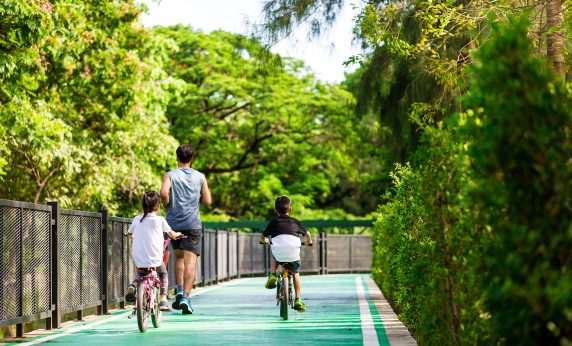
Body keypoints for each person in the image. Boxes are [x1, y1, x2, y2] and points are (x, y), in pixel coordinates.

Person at [160, 144, 212, 314]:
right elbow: (208, 200)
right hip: (193, 224)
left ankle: (180, 289)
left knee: (179, 257)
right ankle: (186, 298)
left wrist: (168, 205)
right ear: (192, 159)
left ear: (177, 157)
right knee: (191, 262)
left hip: (174, 224)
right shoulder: (200, 177)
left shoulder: (169, 175)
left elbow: (163, 193)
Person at [125, 191, 183, 311]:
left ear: (143, 205)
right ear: (158, 205)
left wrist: (132, 236)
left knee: (141, 274)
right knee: (163, 274)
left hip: (139, 257)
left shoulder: (137, 219)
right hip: (155, 258)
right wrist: (178, 235)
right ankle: (162, 299)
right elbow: (172, 234)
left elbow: (130, 233)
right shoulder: (160, 220)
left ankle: (133, 285)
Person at [260, 195, 312, 312]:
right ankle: (298, 299)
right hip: (293, 254)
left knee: (274, 252)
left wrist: (266, 241)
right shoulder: (295, 222)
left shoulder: (273, 222)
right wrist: (309, 241)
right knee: (296, 273)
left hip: (279, 253)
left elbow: (263, 236)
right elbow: (307, 234)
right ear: (291, 209)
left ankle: (273, 274)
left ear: (275, 210)